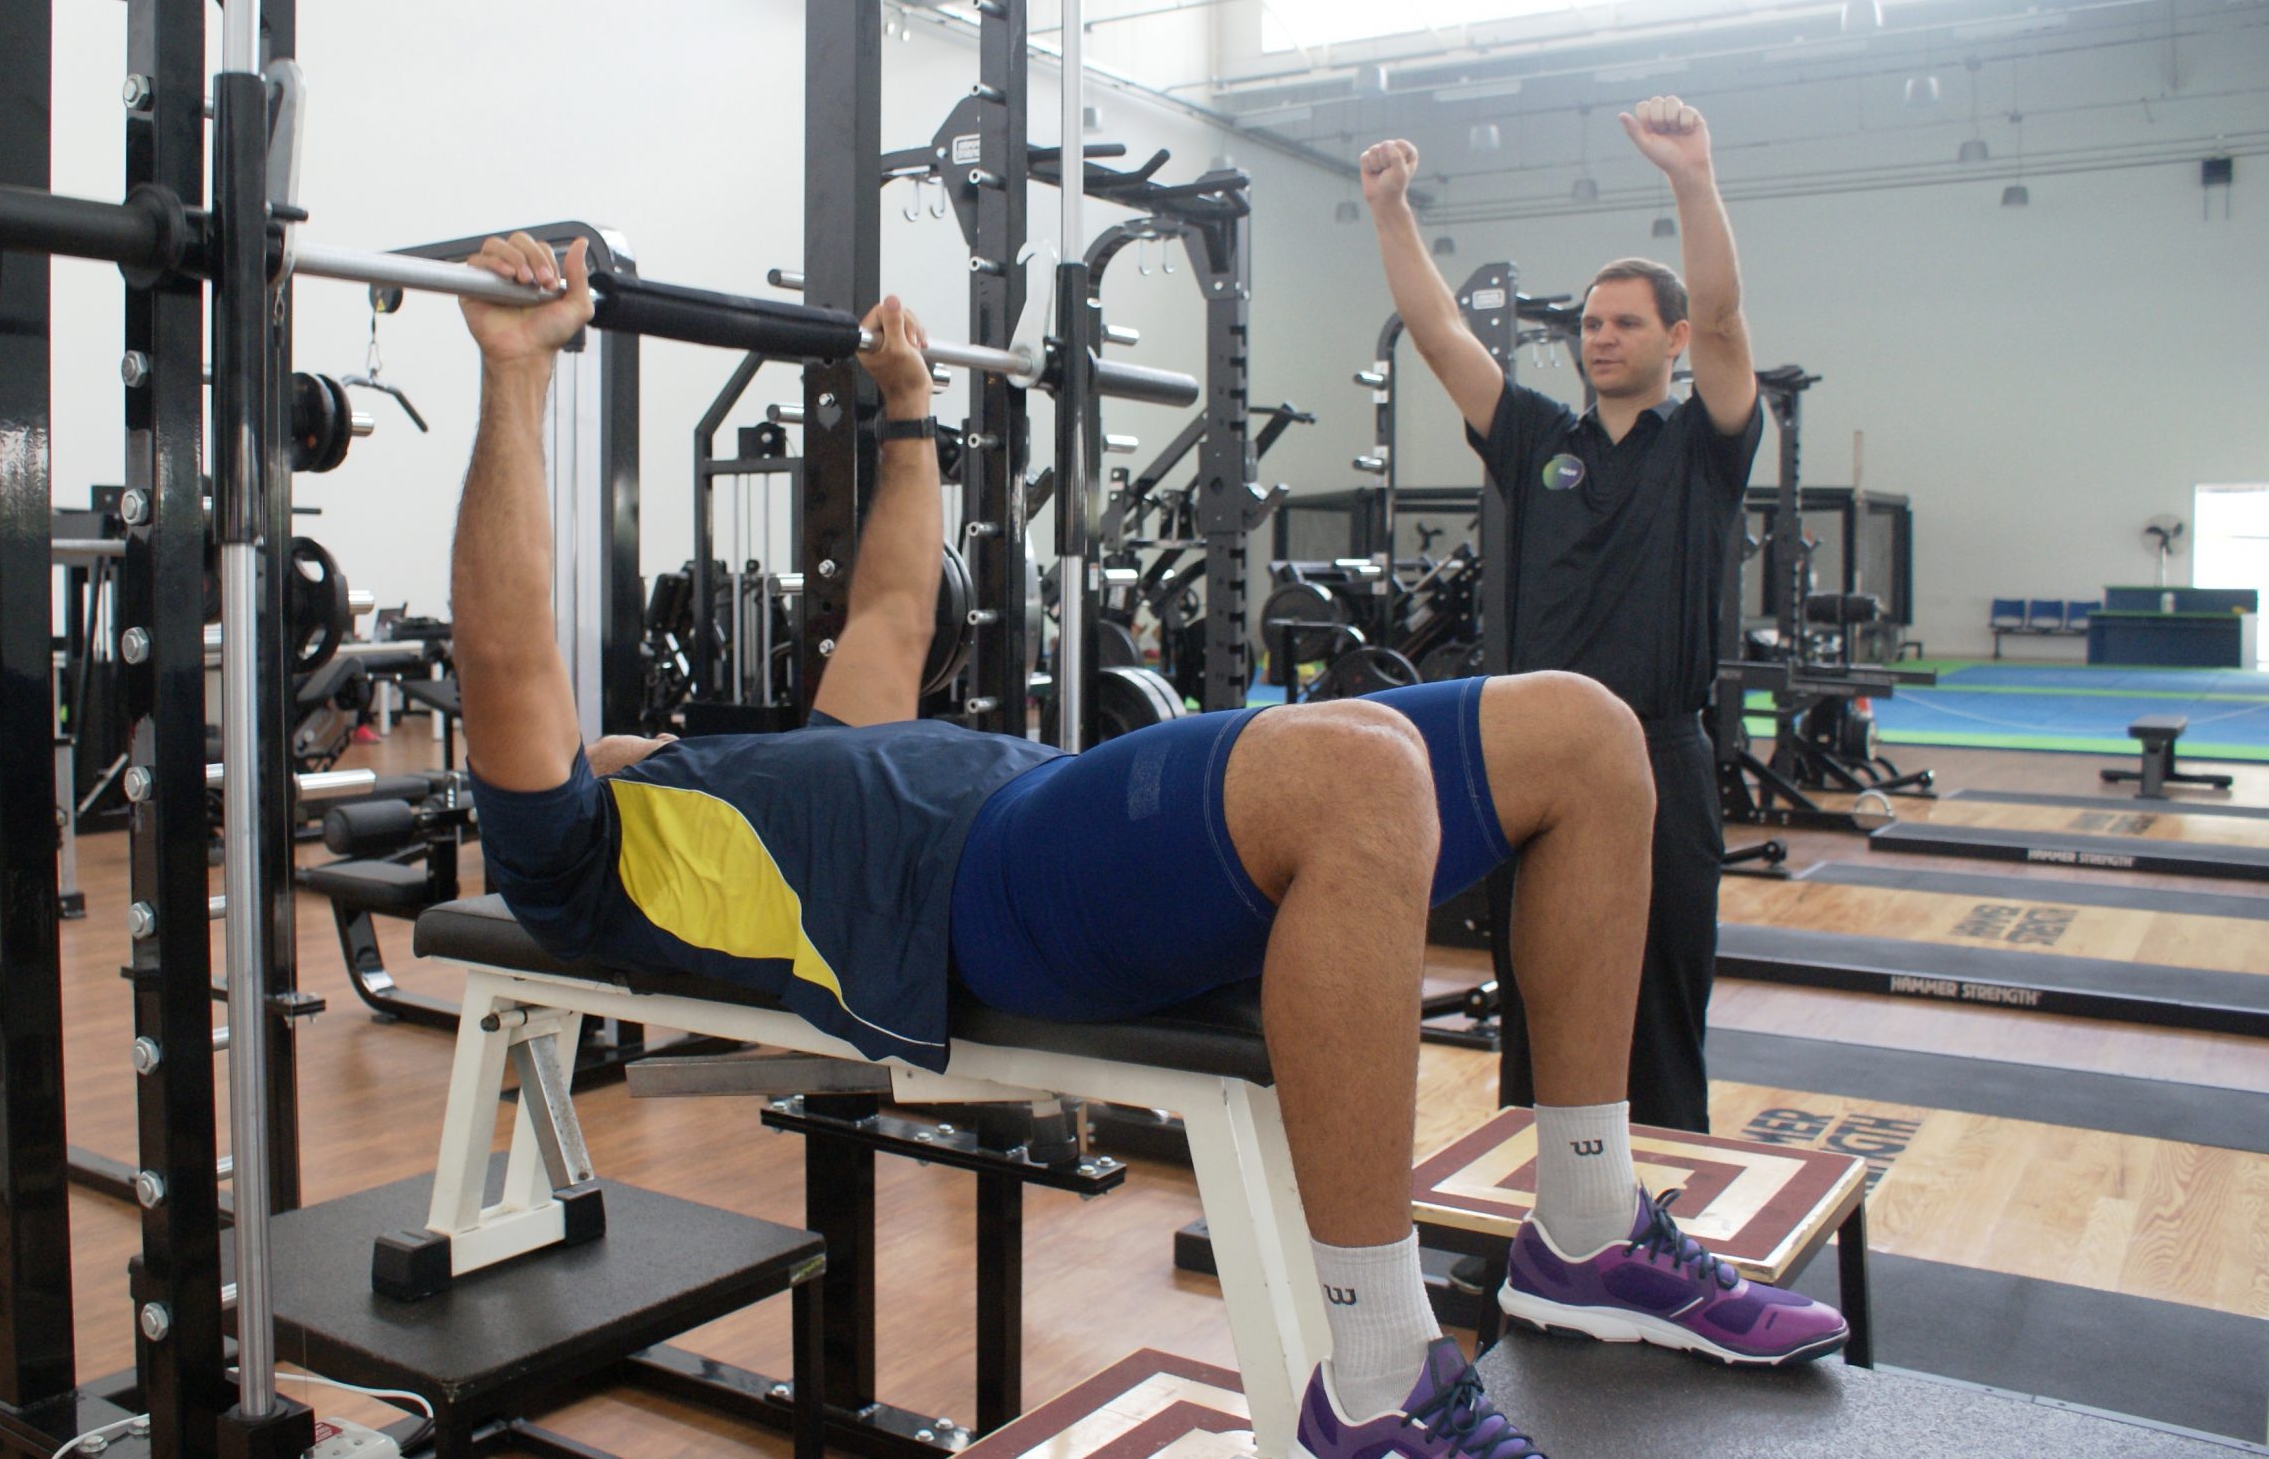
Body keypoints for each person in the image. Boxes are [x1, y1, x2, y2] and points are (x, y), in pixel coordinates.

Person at [448, 231, 1840, 1459]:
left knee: (1591, 734)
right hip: (984, 896)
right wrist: (518, 375)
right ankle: (1373, 1373)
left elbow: (887, 617)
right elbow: (509, 659)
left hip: (1063, 810)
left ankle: (1586, 1228)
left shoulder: (765, 764)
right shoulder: (582, 855)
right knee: (1361, 771)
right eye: (584, 733)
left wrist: (911, 409)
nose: (609, 727)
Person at [1360, 96, 1762, 1138]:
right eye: (1589, 322)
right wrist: (1389, 211)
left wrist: (1690, 175)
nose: (1601, 337)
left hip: (1657, 759)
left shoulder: (1705, 446)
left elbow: (1723, 317)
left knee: (1658, 1012)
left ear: (1670, 339)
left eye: (1626, 321)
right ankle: (1537, 1242)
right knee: (1539, 1011)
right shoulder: (1536, 438)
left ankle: (1659, 1222)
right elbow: (1441, 336)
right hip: (1533, 763)